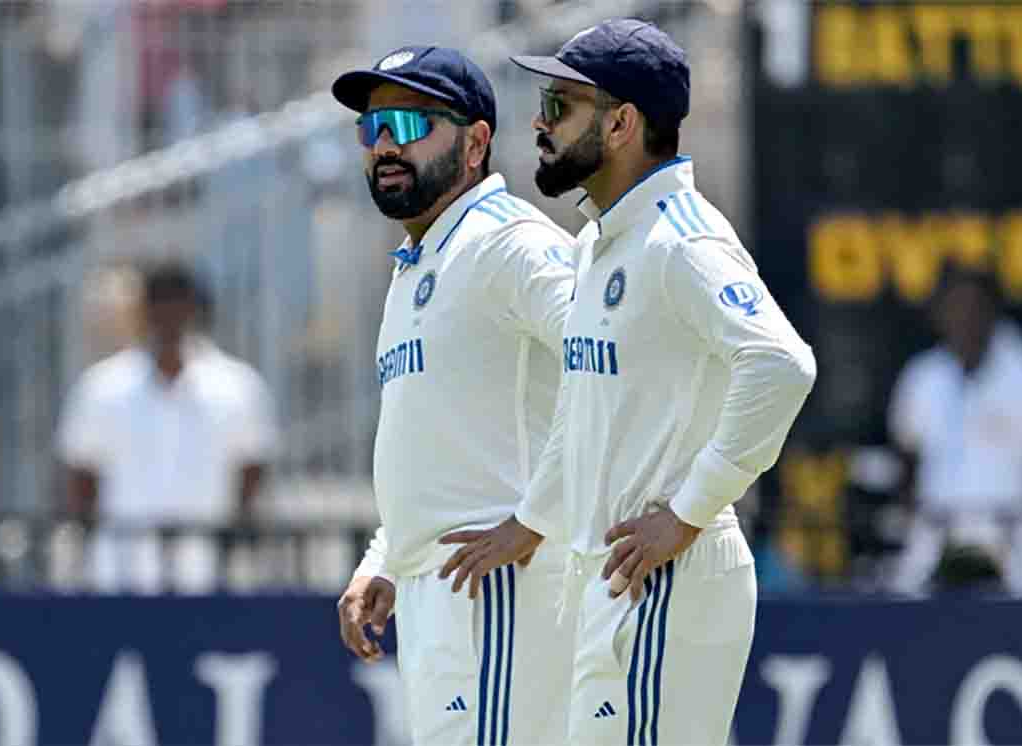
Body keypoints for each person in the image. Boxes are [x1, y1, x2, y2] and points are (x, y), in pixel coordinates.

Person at [439, 20, 817, 745]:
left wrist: (688, 512)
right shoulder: (596, 243)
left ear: (621, 124)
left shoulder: (682, 240)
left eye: (559, 106)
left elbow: (781, 364)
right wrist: (532, 520)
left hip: (668, 572)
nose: (539, 124)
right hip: (617, 577)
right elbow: (586, 409)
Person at [329, 46, 577, 745]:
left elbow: (614, 370)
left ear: (475, 143)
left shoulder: (510, 243)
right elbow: (434, 443)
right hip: (437, 595)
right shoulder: (419, 261)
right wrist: (388, 557)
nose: (385, 145)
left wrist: (537, 518)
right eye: (372, 127)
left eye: (410, 124)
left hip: (502, 587)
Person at [57, 261, 278, 593]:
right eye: (159, 302)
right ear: (143, 310)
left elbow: (251, 474)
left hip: (207, 574)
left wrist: (232, 547)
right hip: (119, 575)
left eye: (178, 302)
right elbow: (81, 476)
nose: (169, 314)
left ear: (195, 308)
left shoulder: (237, 387)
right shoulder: (102, 387)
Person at [887, 263, 1022, 596]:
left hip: (1013, 561)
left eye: (974, 307)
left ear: (994, 311)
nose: (964, 319)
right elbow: (907, 467)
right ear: (938, 315)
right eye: (954, 308)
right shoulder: (921, 378)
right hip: (931, 557)